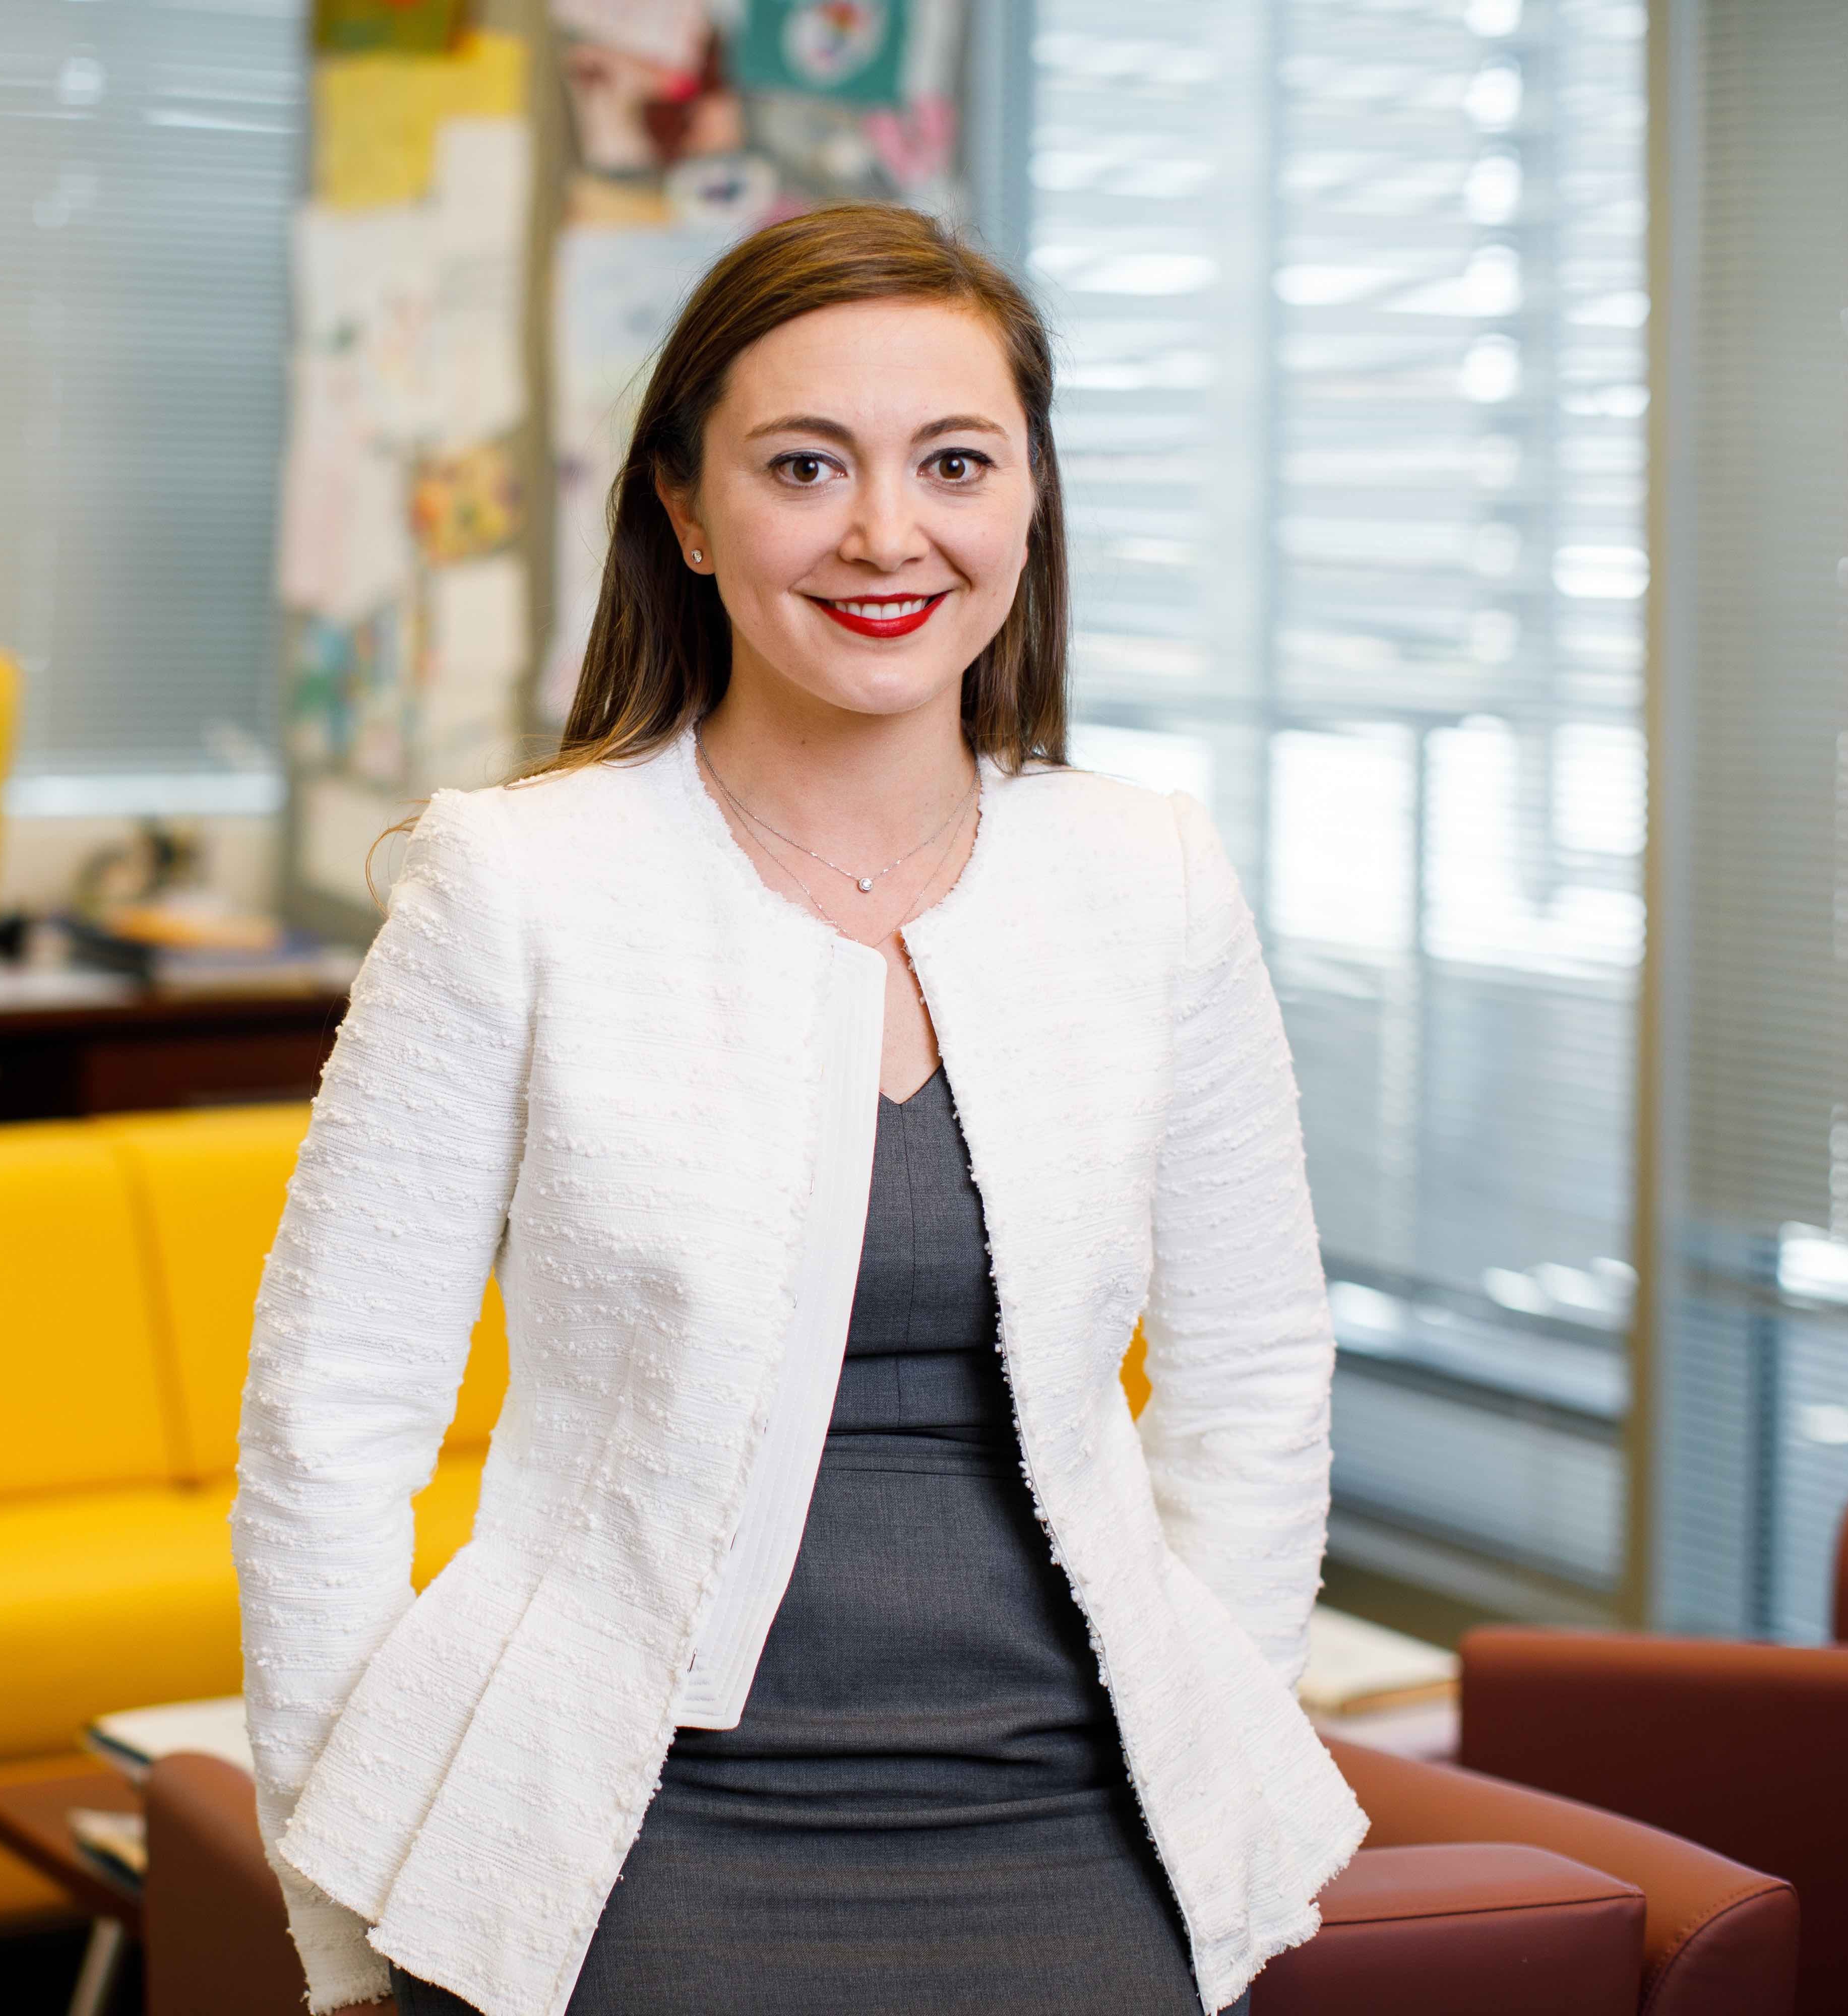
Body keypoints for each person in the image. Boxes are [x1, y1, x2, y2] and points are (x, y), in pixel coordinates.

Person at [232, 203, 1362, 2016]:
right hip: (628, 1824)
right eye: (805, 464)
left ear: (1031, 501)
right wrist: (350, 1902)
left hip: (1077, 1815)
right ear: (685, 509)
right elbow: (331, 1423)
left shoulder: (1146, 875)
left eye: (956, 462)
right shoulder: (517, 886)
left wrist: (1206, 1738)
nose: (884, 532)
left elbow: (1254, 1374)